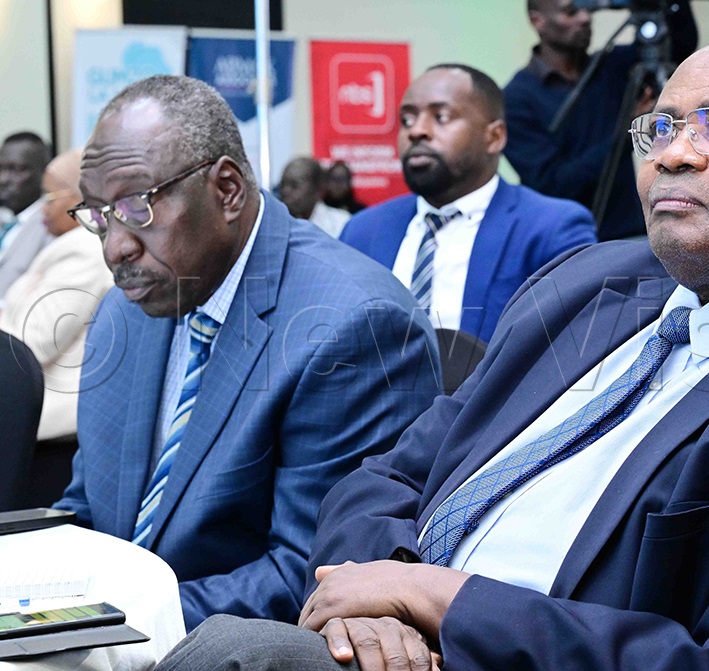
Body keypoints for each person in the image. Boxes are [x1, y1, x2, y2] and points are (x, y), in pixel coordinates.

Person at [156, 36, 709, 671]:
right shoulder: (589, 283)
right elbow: (391, 473)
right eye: (659, 126)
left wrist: (439, 598)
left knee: (236, 652)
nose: (673, 152)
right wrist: (377, 595)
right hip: (379, 642)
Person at [53, 75, 442, 631]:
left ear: (228, 190)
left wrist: (98, 626)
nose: (115, 246)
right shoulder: (127, 309)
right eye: (97, 214)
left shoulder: (355, 328)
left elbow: (311, 577)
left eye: (137, 206)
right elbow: (89, 509)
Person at [341, 64, 597, 343]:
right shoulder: (361, 231)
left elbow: (572, 348)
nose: (416, 132)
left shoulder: (551, 229)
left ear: (495, 137)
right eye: (407, 120)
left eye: (440, 117)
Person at [503, 0, 698, 241]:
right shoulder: (516, 99)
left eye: (588, 8)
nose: (585, 18)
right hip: (562, 243)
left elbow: (680, 44)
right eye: (571, 11)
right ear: (537, 21)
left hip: (630, 234)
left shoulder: (611, 67)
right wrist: (626, 131)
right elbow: (552, 185)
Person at [0, 149, 111, 440]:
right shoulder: (69, 245)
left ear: (79, 198)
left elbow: (34, 342)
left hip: (54, 426)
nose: (42, 210)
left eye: (49, 197)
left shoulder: (83, 252)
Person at [0, 132, 51, 298]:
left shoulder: (51, 225)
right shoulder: (6, 220)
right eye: (1, 168)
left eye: (18, 169)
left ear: (44, 173)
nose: (4, 179)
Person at [278, 156, 351, 239]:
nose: (285, 191)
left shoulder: (341, 223)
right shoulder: (274, 224)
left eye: (294, 185)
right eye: (283, 184)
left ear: (317, 188)